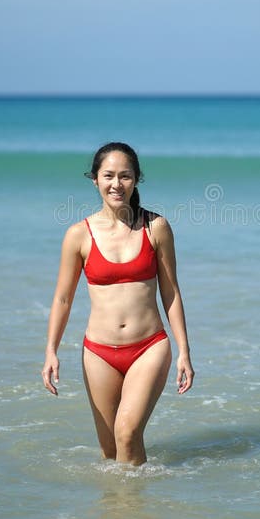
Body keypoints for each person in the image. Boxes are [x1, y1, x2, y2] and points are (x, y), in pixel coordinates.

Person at [42, 141, 194, 466]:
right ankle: (120, 513)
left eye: (125, 176)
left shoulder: (157, 228)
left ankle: (135, 511)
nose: (116, 184)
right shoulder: (78, 235)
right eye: (108, 175)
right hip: (98, 352)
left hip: (148, 347)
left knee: (127, 433)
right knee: (111, 451)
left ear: (136, 179)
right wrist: (51, 351)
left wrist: (184, 351)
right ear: (94, 179)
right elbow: (63, 297)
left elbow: (171, 292)